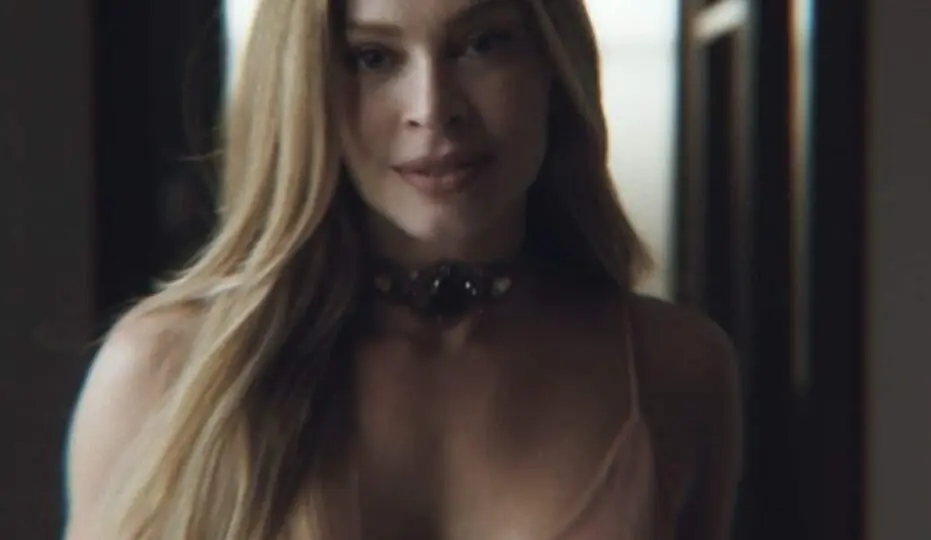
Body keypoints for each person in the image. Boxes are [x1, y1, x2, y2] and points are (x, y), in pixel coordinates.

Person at [64, 0, 742, 538]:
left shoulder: (673, 368)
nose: (433, 109)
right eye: (372, 57)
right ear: (303, 85)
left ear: (553, 64)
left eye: (482, 43)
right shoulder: (164, 373)